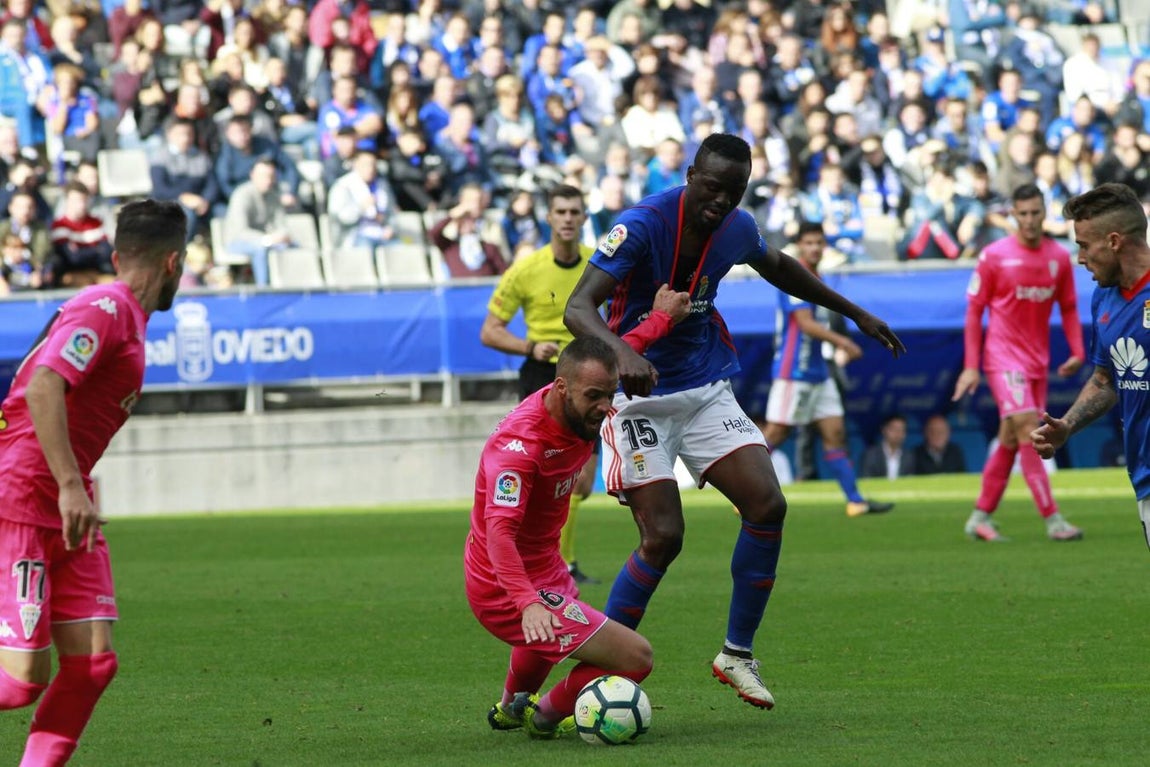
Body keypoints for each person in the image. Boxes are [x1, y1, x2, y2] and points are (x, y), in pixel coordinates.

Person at [564, 133, 904, 709]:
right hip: (639, 398)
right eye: (713, 187)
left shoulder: (737, 228)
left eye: (736, 191)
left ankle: (736, 654)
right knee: (663, 538)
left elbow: (779, 267)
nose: (721, 201)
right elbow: (577, 307)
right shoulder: (643, 223)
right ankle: (598, 672)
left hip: (703, 386)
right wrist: (622, 353)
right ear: (691, 174)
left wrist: (855, 312)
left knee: (769, 504)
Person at [0, 199, 187, 765]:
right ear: (174, 262)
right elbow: (43, 388)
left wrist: (71, 491)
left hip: (65, 507)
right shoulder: (105, 306)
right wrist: (70, 486)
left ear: (115, 253)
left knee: (92, 663)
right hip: (26, 496)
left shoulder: (123, 316)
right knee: (20, 680)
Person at [469, 329, 688, 738]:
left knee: (547, 637)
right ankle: (546, 717)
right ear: (561, 387)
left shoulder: (576, 408)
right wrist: (526, 601)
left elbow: (626, 346)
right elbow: (498, 532)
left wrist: (662, 317)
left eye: (610, 395)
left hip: (546, 569)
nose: (605, 408)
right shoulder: (519, 447)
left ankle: (511, 708)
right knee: (636, 657)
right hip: (502, 584)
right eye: (594, 396)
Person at [952, 183, 1086, 543]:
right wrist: (970, 365)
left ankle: (980, 518)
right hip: (1002, 357)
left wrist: (1077, 350)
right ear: (1012, 215)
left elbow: (1070, 307)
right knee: (1030, 429)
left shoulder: (1058, 257)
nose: (1029, 220)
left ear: (1045, 213)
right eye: (1022, 213)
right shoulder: (994, 255)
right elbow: (974, 311)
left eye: (1035, 213)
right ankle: (1054, 519)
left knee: (1010, 437)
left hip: (1036, 361)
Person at [480, 184, 599, 583]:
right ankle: (555, 564)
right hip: (542, 378)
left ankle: (555, 560)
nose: (567, 218)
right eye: (560, 211)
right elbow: (490, 331)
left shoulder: (599, 266)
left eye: (574, 212)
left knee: (581, 483)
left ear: (584, 218)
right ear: (548, 218)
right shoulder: (526, 270)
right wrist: (530, 346)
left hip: (588, 382)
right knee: (544, 478)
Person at [1031, 183, 1150, 550]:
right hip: (1145, 476)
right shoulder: (1104, 299)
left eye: (1083, 245)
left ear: (1114, 241)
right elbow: (1105, 379)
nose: (1079, 258)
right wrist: (1067, 425)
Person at [761, 221, 894, 516]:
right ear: (799, 246)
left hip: (819, 372)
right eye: (809, 243)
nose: (815, 248)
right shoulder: (790, 276)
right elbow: (805, 324)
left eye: (819, 243)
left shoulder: (817, 278)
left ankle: (855, 500)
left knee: (835, 433)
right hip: (793, 371)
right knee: (777, 433)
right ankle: (741, 495)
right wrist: (843, 343)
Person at [860, 413, 915, 479]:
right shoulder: (870, 455)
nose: (898, 433)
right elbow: (866, 479)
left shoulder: (909, 456)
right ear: (884, 430)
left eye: (902, 430)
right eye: (894, 429)